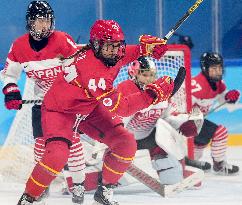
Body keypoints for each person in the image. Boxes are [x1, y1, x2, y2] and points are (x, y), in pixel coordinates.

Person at [16, 19, 173, 205]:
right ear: (96, 45)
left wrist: (145, 50)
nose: (115, 51)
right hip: (60, 111)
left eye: (117, 45)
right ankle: (28, 198)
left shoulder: (109, 52)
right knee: (56, 156)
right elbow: (123, 108)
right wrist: (152, 94)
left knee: (125, 143)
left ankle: (104, 194)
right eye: (109, 47)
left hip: (87, 105)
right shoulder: (93, 71)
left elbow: (128, 53)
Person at [1, 1, 86, 204]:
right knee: (40, 146)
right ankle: (43, 183)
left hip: (67, 104)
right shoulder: (19, 46)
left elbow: (81, 68)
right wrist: (12, 92)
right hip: (43, 103)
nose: (44, 26)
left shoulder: (63, 41)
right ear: (30, 23)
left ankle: (79, 184)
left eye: (47, 21)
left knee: (72, 143)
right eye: (39, 22)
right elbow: (10, 75)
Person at [117, 56, 202, 185]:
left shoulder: (160, 91)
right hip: (124, 138)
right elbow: (116, 118)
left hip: (149, 136)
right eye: (145, 75)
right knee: (114, 170)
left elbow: (166, 118)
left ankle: (179, 172)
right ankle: (105, 173)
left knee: (171, 176)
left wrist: (184, 122)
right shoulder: (125, 88)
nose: (149, 79)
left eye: (152, 75)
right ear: (133, 74)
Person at [187, 52, 240, 175]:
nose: (218, 71)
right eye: (214, 68)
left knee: (201, 142)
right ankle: (219, 165)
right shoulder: (197, 86)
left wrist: (230, 97)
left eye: (220, 68)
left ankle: (191, 162)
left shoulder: (217, 83)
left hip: (196, 122)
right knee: (220, 132)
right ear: (205, 69)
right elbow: (180, 108)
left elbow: (225, 101)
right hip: (184, 124)